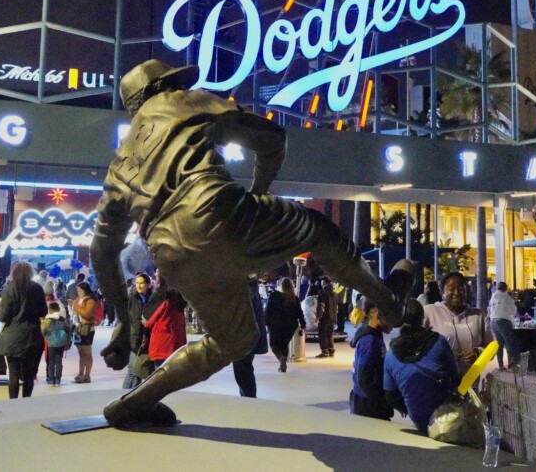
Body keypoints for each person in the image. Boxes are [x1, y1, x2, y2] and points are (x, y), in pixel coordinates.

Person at [90, 59, 414, 427]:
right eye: (170, 83)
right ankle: (390, 303)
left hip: (168, 251)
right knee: (319, 230)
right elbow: (273, 140)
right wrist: (259, 194)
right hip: (214, 210)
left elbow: (101, 251)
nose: (175, 88)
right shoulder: (186, 102)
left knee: (233, 340)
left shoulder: (119, 166)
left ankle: (135, 402)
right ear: (157, 90)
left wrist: (121, 317)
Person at [384, 299, 458, 434]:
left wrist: (410, 405)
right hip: (445, 413)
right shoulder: (439, 342)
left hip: (417, 416)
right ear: (422, 318)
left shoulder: (391, 354)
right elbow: (455, 376)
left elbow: (390, 395)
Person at [423, 271, 492, 377]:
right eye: (451, 289)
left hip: (469, 384)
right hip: (436, 383)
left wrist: (478, 352)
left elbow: (491, 348)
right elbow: (414, 345)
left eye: (461, 289)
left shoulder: (478, 316)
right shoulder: (429, 312)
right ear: (442, 292)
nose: (457, 293)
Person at [0, 261, 47, 398]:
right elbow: (43, 311)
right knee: (29, 376)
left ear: (14, 273)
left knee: (13, 374)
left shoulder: (9, 289)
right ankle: (26, 405)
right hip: (32, 337)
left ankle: (13, 405)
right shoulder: (37, 288)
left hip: (12, 338)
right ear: (30, 273)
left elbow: (4, 316)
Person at [349, 297, 393, 420]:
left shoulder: (375, 336)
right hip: (368, 406)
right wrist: (381, 403)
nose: (393, 324)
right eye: (389, 317)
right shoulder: (370, 341)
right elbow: (364, 378)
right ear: (376, 313)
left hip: (367, 401)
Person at [232, 276, 268, 397]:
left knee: (242, 370)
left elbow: (241, 315)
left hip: (243, 337)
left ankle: (249, 398)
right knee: (244, 369)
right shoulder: (252, 289)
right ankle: (248, 397)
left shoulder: (246, 291)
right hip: (247, 336)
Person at [143, 276, 188, 368]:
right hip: (178, 345)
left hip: (162, 346)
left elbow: (147, 320)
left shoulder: (162, 297)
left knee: (161, 378)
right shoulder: (180, 296)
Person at [265, 277, 306, 372]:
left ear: (281, 285)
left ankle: (281, 359)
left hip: (275, 324)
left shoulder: (274, 295)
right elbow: (299, 312)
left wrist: (266, 323)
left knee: (273, 345)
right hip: (290, 326)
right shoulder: (294, 298)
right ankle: (283, 358)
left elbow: (268, 310)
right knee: (284, 344)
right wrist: (303, 325)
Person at [123, 272, 154, 389]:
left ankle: (130, 397)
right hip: (134, 338)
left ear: (148, 284)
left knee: (139, 371)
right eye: (137, 283)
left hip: (148, 339)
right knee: (132, 371)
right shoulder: (132, 298)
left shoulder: (152, 298)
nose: (139, 286)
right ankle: (123, 397)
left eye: (142, 283)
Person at [488, 281, 521, 371]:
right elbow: (513, 311)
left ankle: (501, 365)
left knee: (499, 344)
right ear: (505, 288)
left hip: (493, 322)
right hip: (503, 321)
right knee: (509, 343)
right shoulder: (506, 297)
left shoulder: (493, 297)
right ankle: (512, 365)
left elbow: (489, 311)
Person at [70, 281, 98, 383]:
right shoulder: (78, 300)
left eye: (80, 291)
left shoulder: (90, 301)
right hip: (78, 327)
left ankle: (87, 375)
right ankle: (80, 373)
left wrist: (76, 306)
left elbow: (87, 314)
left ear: (86, 291)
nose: (79, 293)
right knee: (81, 352)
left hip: (87, 328)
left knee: (87, 352)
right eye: (78, 291)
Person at [41, 301, 72, 386]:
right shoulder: (62, 319)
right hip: (61, 343)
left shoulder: (47, 320)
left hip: (51, 343)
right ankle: (58, 380)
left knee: (51, 362)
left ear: (49, 310)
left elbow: (43, 331)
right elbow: (68, 331)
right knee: (59, 361)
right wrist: (67, 342)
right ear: (58, 309)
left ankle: (51, 380)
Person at [315, 278, 338, 358]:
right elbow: (336, 306)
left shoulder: (323, 292)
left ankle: (325, 351)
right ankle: (331, 350)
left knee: (322, 334)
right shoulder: (334, 292)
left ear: (324, 282)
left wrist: (318, 317)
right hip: (332, 316)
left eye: (322, 281)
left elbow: (321, 306)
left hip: (325, 317)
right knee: (330, 334)